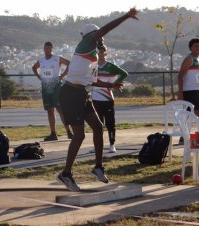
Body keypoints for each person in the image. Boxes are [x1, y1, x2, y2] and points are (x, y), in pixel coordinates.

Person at [56, 8, 139, 191]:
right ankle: (66, 174)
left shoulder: (91, 57)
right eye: (99, 36)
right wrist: (126, 16)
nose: (102, 39)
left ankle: (98, 167)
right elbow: (106, 29)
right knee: (79, 135)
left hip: (82, 95)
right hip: (70, 95)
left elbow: (93, 81)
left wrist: (112, 86)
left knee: (98, 128)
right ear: (91, 35)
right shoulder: (86, 43)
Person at [90, 45, 129, 153]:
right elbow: (91, 80)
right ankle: (97, 146)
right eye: (98, 52)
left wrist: (114, 84)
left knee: (110, 124)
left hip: (107, 99)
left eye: (102, 52)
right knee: (97, 125)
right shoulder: (93, 66)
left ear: (106, 53)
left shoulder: (111, 66)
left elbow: (124, 74)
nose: (100, 54)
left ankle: (112, 145)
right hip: (95, 99)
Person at [32, 42, 73, 141]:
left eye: (49, 49)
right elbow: (34, 67)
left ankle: (69, 132)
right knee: (50, 111)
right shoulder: (41, 60)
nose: (47, 50)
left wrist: (62, 76)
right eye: (46, 49)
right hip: (46, 87)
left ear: (52, 49)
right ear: (43, 49)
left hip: (56, 87)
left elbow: (69, 63)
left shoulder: (57, 58)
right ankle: (53, 133)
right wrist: (39, 77)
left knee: (60, 110)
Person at [178, 38, 199, 136]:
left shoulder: (197, 59)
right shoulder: (189, 59)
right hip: (189, 91)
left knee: (188, 113)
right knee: (198, 112)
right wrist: (180, 92)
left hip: (195, 90)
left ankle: (184, 135)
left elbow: (194, 75)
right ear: (190, 48)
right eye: (195, 46)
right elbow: (180, 75)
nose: (198, 48)